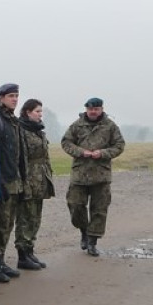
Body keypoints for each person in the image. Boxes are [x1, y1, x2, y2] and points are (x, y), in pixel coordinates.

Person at [60, 97, 125, 256]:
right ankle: (84, 231)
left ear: (101, 109)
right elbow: (66, 142)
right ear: (86, 110)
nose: (93, 112)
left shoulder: (110, 126)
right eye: (90, 109)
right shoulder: (77, 125)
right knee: (75, 206)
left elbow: (119, 145)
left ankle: (92, 242)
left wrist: (103, 153)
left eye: (96, 109)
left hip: (101, 175)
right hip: (80, 174)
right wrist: (81, 152)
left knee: (99, 210)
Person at [0, 83, 25, 282]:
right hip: (3, 181)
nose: (15, 99)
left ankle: (0, 261)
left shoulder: (13, 121)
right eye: (10, 96)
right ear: (0, 98)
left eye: (16, 95)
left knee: (8, 224)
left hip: (14, 179)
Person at [14, 98, 55, 269]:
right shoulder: (21, 130)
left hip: (40, 179)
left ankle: (30, 251)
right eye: (37, 111)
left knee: (35, 218)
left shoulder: (39, 131)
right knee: (25, 218)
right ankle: (22, 255)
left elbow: (45, 157)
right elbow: (19, 158)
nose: (40, 115)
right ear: (27, 112)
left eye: (41, 111)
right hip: (28, 179)